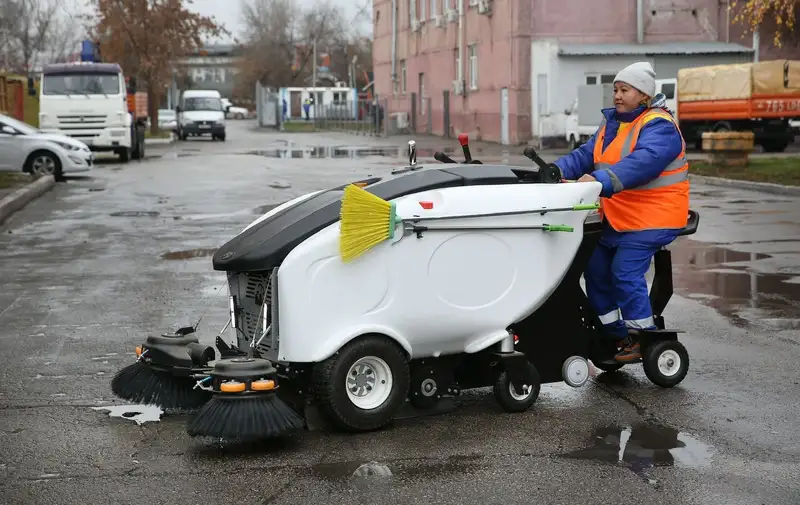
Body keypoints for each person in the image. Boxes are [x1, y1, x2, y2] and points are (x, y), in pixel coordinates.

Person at [550, 61, 689, 362]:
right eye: (615, 89)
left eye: (624, 89)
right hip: (619, 217)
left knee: (623, 272)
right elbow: (586, 155)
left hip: (655, 217)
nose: (616, 95)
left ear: (644, 95)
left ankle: (643, 337)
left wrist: (599, 180)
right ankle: (615, 336)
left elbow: (642, 163)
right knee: (595, 270)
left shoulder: (660, 127)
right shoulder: (612, 124)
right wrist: (553, 170)